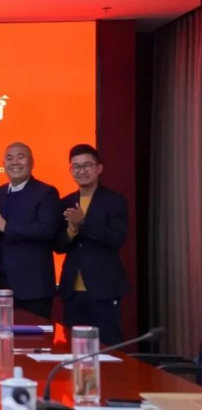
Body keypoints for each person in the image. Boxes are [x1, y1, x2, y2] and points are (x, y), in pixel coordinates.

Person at [55, 144, 128, 345]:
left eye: (87, 165)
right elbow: (58, 246)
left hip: (104, 288)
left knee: (107, 348)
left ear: (99, 168)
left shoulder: (114, 201)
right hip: (72, 291)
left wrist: (84, 222)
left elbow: (118, 238)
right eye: (76, 167)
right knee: (74, 349)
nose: (82, 171)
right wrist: (71, 230)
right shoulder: (65, 202)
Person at [0, 142, 61, 319]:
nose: (15, 162)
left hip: (33, 285)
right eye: (9, 158)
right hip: (1, 282)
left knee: (31, 334)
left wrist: (7, 227)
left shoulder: (46, 192)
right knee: (2, 333)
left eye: (20, 157)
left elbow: (47, 230)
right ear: (3, 164)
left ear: (32, 162)